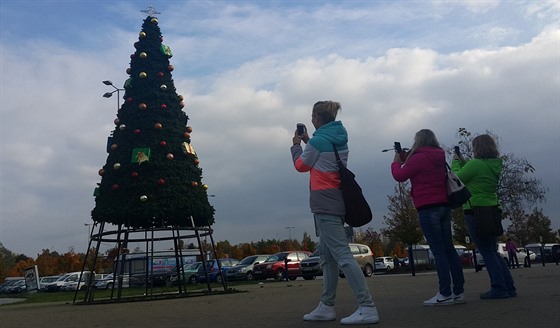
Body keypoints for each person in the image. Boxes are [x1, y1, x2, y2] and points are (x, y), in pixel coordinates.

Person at [291, 101, 379, 325]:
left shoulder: (320, 140)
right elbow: (323, 159)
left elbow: (302, 165)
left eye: (312, 116)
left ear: (317, 118)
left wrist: (296, 146)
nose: (311, 120)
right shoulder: (337, 138)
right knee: (327, 257)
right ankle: (326, 305)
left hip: (324, 202)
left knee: (342, 256)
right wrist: (309, 141)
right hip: (337, 200)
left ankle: (367, 306)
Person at [391, 129, 465, 306]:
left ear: (418, 140)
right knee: (449, 249)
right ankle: (458, 292)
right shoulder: (439, 156)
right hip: (444, 205)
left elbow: (399, 176)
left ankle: (445, 293)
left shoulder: (418, 158)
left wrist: (395, 162)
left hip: (427, 206)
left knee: (438, 251)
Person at [452, 134, 516, 299]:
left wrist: (456, 161)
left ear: (477, 148)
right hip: (492, 210)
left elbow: (456, 178)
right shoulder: (494, 165)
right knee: (493, 251)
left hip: (475, 210)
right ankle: (509, 287)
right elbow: (476, 177)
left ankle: (499, 288)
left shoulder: (475, 164)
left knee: (486, 251)